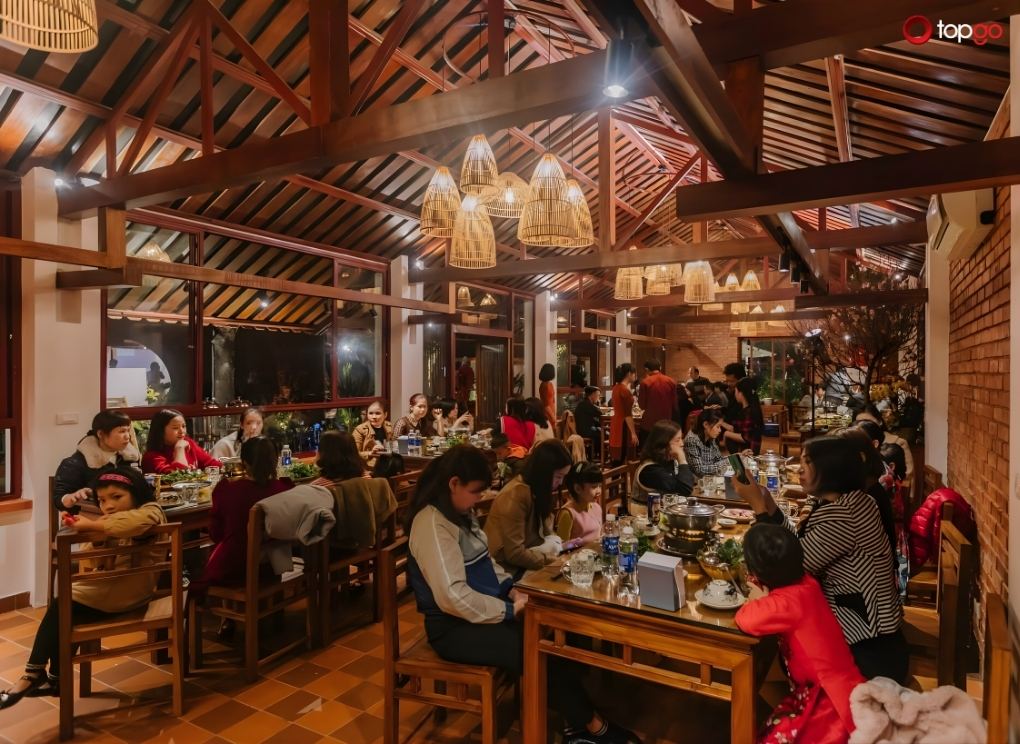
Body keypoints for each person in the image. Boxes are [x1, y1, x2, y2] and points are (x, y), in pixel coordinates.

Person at [406, 446, 640, 744]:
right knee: (535, 646)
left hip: (480, 612)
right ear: (453, 483)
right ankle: (592, 726)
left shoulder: (459, 514)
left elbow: (486, 562)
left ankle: (578, 720)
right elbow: (453, 597)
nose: (480, 498)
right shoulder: (432, 523)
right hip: (452, 627)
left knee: (552, 634)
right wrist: (508, 610)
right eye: (476, 491)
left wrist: (510, 589)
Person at [733, 436, 907, 683]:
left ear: (831, 467)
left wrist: (758, 507)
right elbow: (799, 549)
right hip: (879, 642)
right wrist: (769, 505)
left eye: (808, 462)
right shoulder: (856, 501)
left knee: (764, 632)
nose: (800, 469)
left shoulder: (843, 515)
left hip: (864, 654)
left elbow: (788, 568)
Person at [0, 467, 166, 707]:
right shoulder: (110, 522)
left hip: (131, 591)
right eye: (102, 500)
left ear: (137, 493)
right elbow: (93, 561)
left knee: (62, 605)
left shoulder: (151, 511)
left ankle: (33, 675)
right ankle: (52, 678)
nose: (109, 506)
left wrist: (94, 526)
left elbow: (133, 523)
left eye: (117, 497)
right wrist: (96, 538)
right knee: (67, 613)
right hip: (113, 589)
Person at [736, 524, 864, 744]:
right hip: (847, 688)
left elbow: (745, 619)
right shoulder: (807, 583)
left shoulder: (786, 603)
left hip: (828, 702)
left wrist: (758, 600)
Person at [191, 437, 294, 597]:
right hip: (272, 566)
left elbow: (216, 534)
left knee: (196, 579)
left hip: (235, 566)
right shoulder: (284, 488)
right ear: (276, 460)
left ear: (244, 463)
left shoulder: (227, 490)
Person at [484, 439, 572, 577]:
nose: (560, 482)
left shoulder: (536, 489)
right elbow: (514, 554)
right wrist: (552, 560)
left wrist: (562, 547)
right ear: (544, 471)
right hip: (506, 570)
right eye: (558, 476)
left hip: (528, 557)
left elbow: (546, 533)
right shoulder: (515, 494)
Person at [54, 409, 139, 514]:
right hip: (89, 518)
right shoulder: (75, 463)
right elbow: (58, 500)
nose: (127, 436)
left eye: (128, 431)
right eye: (122, 431)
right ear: (100, 434)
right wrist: (73, 497)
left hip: (127, 516)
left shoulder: (129, 459)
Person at [631, 420, 695, 516]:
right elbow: (685, 490)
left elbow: (688, 482)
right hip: (645, 518)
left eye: (681, 438)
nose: (682, 443)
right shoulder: (651, 470)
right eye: (677, 440)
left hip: (665, 513)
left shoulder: (667, 460)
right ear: (663, 443)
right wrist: (682, 458)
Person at [855, 406, 914, 497]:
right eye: (858, 422)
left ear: (880, 421)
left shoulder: (898, 442)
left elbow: (908, 474)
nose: (862, 425)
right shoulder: (855, 446)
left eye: (868, 421)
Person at [142, 409, 221, 474]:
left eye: (183, 426)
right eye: (175, 428)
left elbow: (211, 464)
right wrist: (179, 449)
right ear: (160, 431)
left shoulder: (189, 444)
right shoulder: (151, 457)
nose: (182, 431)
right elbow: (178, 477)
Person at [556, 462, 604, 548]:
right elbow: (561, 547)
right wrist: (573, 545)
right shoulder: (568, 513)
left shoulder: (596, 507)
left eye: (599, 486)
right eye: (594, 487)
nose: (599, 491)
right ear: (577, 488)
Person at [637, 359, 677, 447]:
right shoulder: (671, 381)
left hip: (649, 423)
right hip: (666, 422)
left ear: (647, 369)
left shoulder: (645, 382)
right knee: (664, 448)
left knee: (648, 448)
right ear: (660, 368)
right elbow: (674, 404)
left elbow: (642, 405)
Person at [722, 377, 764, 455]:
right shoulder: (748, 409)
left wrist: (726, 433)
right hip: (745, 451)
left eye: (736, 391)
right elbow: (736, 429)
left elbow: (745, 438)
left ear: (741, 393)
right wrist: (721, 423)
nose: (735, 394)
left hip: (747, 453)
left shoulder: (748, 412)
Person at [683, 408, 728, 477]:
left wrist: (736, 458)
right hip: (696, 480)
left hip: (710, 477)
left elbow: (719, 458)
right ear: (706, 424)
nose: (720, 430)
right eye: (718, 426)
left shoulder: (710, 435)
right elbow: (699, 470)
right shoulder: (692, 440)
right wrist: (725, 463)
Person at [609, 363, 638, 465]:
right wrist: (633, 433)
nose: (635, 376)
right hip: (623, 425)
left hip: (616, 422)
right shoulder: (624, 390)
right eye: (634, 373)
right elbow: (627, 414)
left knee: (617, 458)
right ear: (629, 373)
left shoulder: (616, 387)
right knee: (622, 456)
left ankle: (616, 474)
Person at [351, 399, 394, 467]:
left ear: (385, 415)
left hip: (388, 463)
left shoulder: (389, 426)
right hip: (368, 466)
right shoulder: (359, 430)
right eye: (370, 413)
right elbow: (353, 453)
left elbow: (392, 445)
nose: (374, 417)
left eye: (378, 413)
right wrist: (371, 452)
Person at [573, 386, 603, 456]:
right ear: (592, 395)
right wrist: (598, 403)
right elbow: (599, 412)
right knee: (604, 434)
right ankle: (600, 455)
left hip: (584, 429)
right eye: (598, 395)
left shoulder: (583, 403)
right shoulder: (586, 404)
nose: (598, 398)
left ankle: (596, 454)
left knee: (601, 431)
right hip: (585, 431)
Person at [538, 363, 557, 427]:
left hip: (552, 411)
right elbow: (546, 404)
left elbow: (553, 400)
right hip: (547, 413)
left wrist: (554, 414)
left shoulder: (550, 384)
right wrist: (552, 417)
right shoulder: (544, 386)